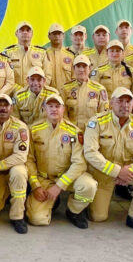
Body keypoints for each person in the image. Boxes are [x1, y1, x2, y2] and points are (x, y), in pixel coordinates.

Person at [83, 88, 133, 236]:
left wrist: (131, 171)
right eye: (120, 101)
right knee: (98, 217)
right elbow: (90, 152)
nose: (125, 105)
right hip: (104, 175)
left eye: (128, 101)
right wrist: (118, 171)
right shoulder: (97, 122)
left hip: (130, 172)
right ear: (111, 102)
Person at [25, 94, 96, 228]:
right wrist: (35, 186)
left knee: (88, 186)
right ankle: (51, 202)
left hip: (67, 177)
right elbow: (29, 160)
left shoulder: (74, 132)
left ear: (63, 109)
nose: (54, 109)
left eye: (57, 106)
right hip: (43, 179)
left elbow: (79, 163)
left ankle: (74, 210)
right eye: (50, 106)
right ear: (44, 109)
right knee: (37, 219)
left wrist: (59, 186)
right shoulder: (34, 130)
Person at [0, 93, 30, 233]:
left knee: (19, 172)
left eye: (6, 105)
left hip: (11, 171)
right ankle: (6, 193)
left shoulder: (21, 128)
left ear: (12, 108)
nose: (3, 108)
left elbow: (20, 156)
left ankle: (17, 217)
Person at [60, 55, 108, 129]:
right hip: (71, 132)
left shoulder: (99, 89)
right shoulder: (66, 89)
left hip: (92, 132)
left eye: (84, 66)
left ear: (89, 68)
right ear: (73, 69)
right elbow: (62, 113)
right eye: (78, 66)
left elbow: (103, 115)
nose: (81, 70)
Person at [1, 21, 46, 91]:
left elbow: (47, 75)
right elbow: (4, 77)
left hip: (36, 94)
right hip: (14, 95)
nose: (25, 32)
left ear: (32, 34)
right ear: (16, 33)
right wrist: (20, 91)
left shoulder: (42, 53)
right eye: (22, 30)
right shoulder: (7, 53)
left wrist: (36, 89)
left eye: (28, 30)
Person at [43, 23, 76, 89]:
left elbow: (74, 79)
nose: (57, 36)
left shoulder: (71, 56)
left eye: (59, 33)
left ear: (63, 36)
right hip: (49, 95)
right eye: (54, 33)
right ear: (49, 36)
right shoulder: (44, 54)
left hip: (67, 95)